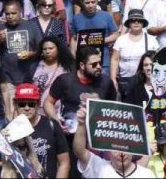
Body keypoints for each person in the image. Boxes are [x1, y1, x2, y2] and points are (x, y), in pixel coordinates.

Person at [45, 46, 116, 176]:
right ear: (82, 65)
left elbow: (114, 108)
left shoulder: (106, 83)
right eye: (94, 64)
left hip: (97, 140)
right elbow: (48, 102)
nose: (99, 67)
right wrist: (56, 120)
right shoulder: (65, 80)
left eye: (100, 63)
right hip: (70, 138)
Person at [73, 101, 154, 178]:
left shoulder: (147, 174)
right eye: (116, 148)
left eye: (126, 148)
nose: (121, 153)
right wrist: (81, 124)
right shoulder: (100, 168)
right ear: (108, 150)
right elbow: (79, 151)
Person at [13, 83, 70, 178]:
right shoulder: (9, 131)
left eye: (31, 104)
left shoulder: (52, 125)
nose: (27, 108)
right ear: (15, 104)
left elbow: (64, 163)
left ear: (38, 104)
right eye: (22, 104)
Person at [111, 9, 159, 98]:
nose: (136, 22)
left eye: (139, 20)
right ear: (129, 23)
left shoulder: (152, 40)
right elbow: (115, 59)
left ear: (143, 23)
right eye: (133, 20)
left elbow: (157, 61)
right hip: (125, 81)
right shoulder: (121, 40)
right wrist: (113, 78)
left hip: (146, 81)